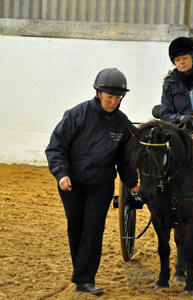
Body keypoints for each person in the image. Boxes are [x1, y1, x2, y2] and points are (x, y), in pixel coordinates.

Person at [45, 68, 139, 295]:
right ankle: (82, 275)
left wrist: (133, 182)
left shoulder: (122, 123)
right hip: (72, 182)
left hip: (101, 183)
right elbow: (56, 147)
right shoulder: (76, 115)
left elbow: (124, 160)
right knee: (76, 227)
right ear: (98, 93)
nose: (114, 102)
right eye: (110, 97)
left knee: (94, 227)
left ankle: (85, 279)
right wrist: (62, 174)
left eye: (118, 98)